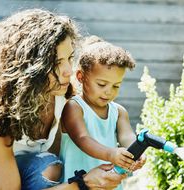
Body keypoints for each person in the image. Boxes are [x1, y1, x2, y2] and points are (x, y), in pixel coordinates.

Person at [0, 9, 126, 190]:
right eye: (57, 62)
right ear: (30, 66)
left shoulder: (62, 95)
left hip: (25, 173)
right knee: (47, 169)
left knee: (53, 166)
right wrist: (84, 183)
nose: (68, 70)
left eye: (69, 58)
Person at [60, 36, 146, 188]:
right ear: (81, 77)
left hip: (108, 183)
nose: (108, 92)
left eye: (116, 86)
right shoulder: (74, 107)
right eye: (101, 84)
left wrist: (136, 152)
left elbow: (127, 136)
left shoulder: (118, 112)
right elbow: (82, 138)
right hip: (79, 185)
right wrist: (111, 154)